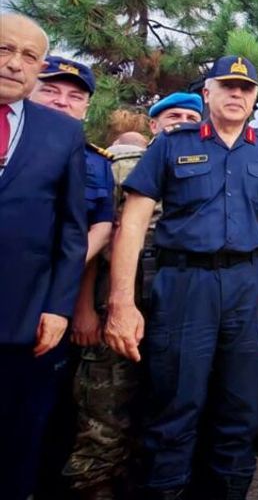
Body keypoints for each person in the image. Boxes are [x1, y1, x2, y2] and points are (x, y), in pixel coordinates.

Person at [104, 56, 258, 499]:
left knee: (240, 413)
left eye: (246, 88)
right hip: (186, 285)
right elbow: (133, 222)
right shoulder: (171, 145)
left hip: (248, 287)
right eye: (227, 85)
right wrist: (121, 301)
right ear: (207, 92)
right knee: (175, 406)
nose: (236, 94)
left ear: (255, 98)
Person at [63, 92, 204, 499]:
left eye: (191, 117)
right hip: (114, 312)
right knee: (102, 422)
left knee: (160, 421)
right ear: (153, 125)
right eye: (173, 115)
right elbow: (95, 237)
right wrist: (84, 308)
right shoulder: (121, 166)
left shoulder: (206, 171)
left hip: (174, 315)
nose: (181, 122)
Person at [0, 14, 88, 500]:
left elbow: (72, 230)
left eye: (29, 56)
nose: (15, 64)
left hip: (23, 319)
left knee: (14, 446)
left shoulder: (61, 133)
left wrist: (57, 307)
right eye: (4, 50)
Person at [29, 56, 116, 497]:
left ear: (86, 108)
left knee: (47, 408)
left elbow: (102, 225)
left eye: (74, 96)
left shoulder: (96, 163)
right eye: (50, 90)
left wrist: (64, 267)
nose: (62, 102)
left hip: (54, 299)